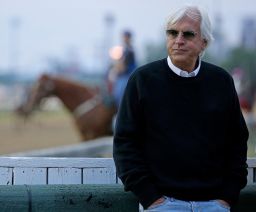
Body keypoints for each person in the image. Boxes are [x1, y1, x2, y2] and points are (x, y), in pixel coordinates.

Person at [113, 5, 249, 212]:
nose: (178, 40)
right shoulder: (142, 80)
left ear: (203, 43)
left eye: (187, 34)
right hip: (161, 204)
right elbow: (124, 143)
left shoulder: (221, 81)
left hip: (214, 205)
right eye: (172, 33)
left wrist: (227, 197)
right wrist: (150, 198)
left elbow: (237, 142)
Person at [107, 30, 137, 107]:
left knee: (120, 94)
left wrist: (118, 68)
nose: (125, 39)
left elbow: (125, 67)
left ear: (129, 38)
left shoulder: (130, 50)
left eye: (126, 37)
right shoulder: (122, 49)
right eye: (124, 37)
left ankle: (121, 113)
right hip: (120, 75)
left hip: (127, 75)